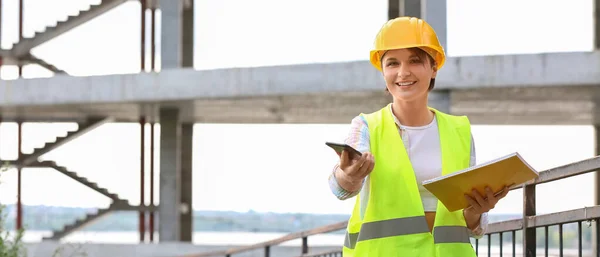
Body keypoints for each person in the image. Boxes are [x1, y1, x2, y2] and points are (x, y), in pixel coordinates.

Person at [327, 16, 510, 257]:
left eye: (414, 61)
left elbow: (474, 226)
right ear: (382, 71)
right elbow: (340, 189)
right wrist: (348, 175)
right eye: (392, 63)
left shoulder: (460, 130)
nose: (403, 72)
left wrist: (477, 211)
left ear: (433, 67)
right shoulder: (366, 126)